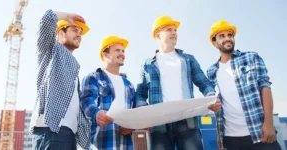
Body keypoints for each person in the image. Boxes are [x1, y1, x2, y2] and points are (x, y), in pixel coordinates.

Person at [135, 16, 221, 150]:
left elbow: (203, 82)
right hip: (159, 124)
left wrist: (211, 95)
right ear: (158, 35)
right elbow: (140, 93)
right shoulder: (147, 64)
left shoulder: (187, 59)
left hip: (187, 122)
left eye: (175, 30)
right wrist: (144, 113)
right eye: (169, 29)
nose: (174, 32)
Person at [207, 20, 282, 150]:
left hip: (259, 133)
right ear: (215, 43)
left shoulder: (251, 57)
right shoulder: (212, 71)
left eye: (230, 35)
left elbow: (265, 88)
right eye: (222, 36)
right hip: (231, 140)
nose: (227, 39)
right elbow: (217, 104)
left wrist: (269, 123)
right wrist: (219, 134)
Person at [29, 9, 91, 150]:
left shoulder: (74, 65)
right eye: (74, 30)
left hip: (69, 133)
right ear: (60, 33)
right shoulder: (50, 50)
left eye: (80, 33)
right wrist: (67, 17)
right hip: (50, 130)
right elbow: (46, 19)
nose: (79, 35)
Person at [80, 36, 135, 150]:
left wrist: (131, 126)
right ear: (105, 54)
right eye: (117, 50)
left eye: (123, 51)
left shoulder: (129, 85)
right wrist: (96, 113)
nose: (122, 53)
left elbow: (133, 112)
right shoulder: (93, 78)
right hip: (101, 143)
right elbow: (87, 100)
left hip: (126, 145)